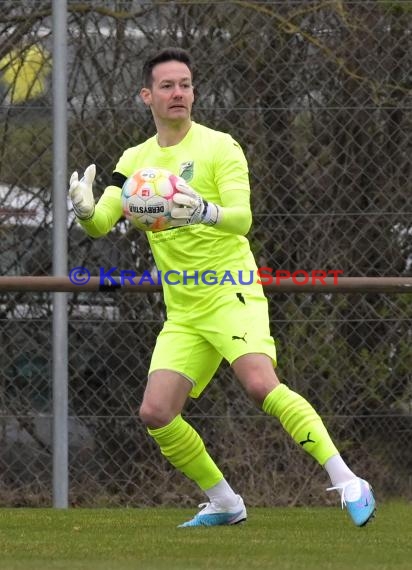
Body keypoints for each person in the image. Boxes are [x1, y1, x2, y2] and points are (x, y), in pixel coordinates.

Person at [69, 47, 376, 528]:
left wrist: (204, 211)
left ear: (194, 92)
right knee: (155, 412)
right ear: (147, 95)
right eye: (168, 86)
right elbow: (105, 220)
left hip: (230, 291)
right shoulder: (135, 160)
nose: (179, 93)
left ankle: (348, 480)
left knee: (259, 384)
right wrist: (86, 211)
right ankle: (226, 502)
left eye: (186, 84)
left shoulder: (220, 147)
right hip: (184, 309)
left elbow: (242, 218)